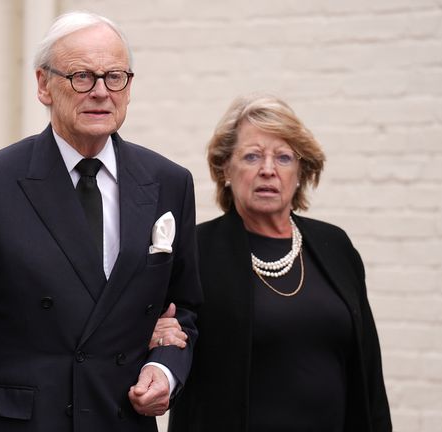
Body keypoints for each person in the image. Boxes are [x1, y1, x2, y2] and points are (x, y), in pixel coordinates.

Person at [0, 11, 202, 432]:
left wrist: (165, 369)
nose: (100, 92)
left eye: (115, 77)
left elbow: (183, 309)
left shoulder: (169, 182)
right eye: (81, 77)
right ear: (43, 85)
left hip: (120, 418)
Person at [163, 95, 392, 431]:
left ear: (301, 171)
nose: (268, 170)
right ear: (225, 168)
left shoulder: (335, 246)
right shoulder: (195, 250)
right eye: (252, 156)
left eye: (283, 158)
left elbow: (368, 370)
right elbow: (164, 337)